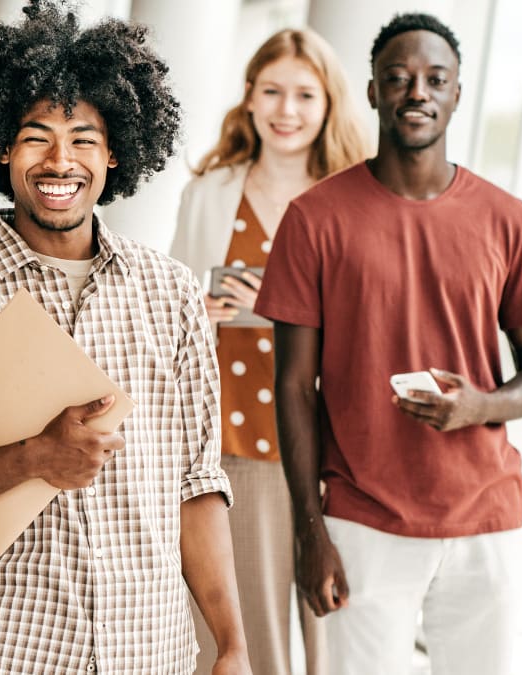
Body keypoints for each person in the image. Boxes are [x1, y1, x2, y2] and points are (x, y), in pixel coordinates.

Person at [0, 3, 250, 673]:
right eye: (36, 136)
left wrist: (232, 641)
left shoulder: (173, 295)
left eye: (84, 138)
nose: (60, 161)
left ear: (116, 150)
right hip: (4, 651)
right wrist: (32, 457)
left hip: (148, 652)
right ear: (2, 146)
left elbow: (196, 483)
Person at [253, 13, 522, 675]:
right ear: (371, 91)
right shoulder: (314, 218)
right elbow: (292, 387)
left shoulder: (510, 219)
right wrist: (311, 530)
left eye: (434, 79)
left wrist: (477, 406)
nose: (416, 91)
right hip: (364, 519)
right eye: (398, 78)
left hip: (486, 517)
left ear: (456, 94)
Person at [170, 28, 368, 675]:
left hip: (329, 437)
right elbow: (175, 298)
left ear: (329, 103)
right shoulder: (210, 188)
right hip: (234, 431)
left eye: (305, 95)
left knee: (335, 627)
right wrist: (199, 310)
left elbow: (375, 321)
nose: (287, 110)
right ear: (249, 97)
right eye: (273, 91)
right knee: (243, 630)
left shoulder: (358, 196)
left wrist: (291, 308)